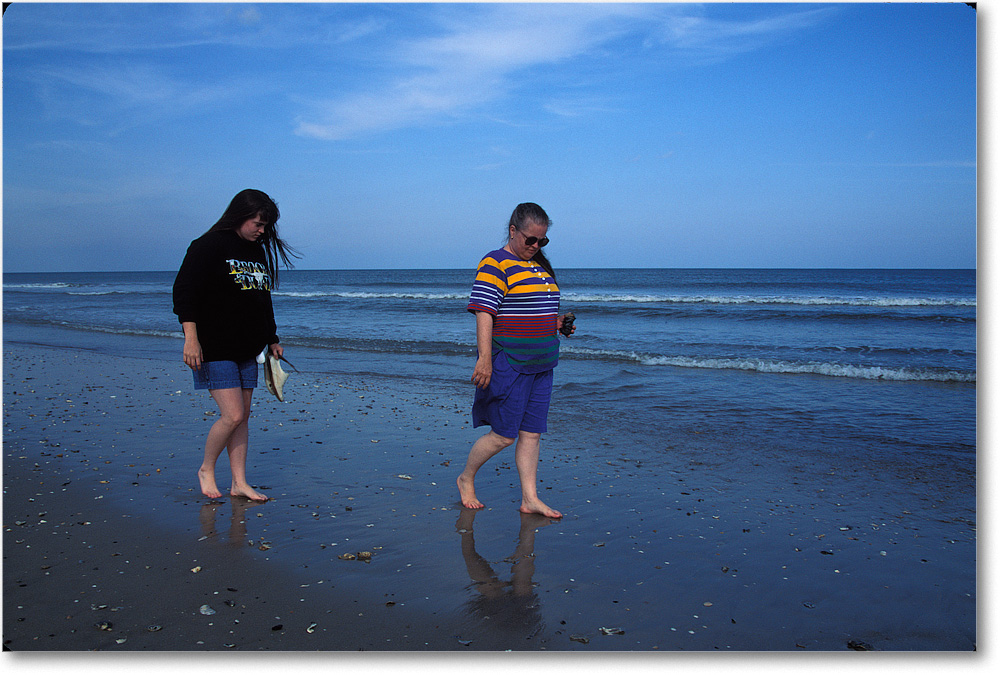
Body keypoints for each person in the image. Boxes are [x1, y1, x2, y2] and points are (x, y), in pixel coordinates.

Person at [172, 189, 297, 502]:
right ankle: (206, 468)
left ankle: (239, 482)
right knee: (232, 416)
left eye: (266, 226)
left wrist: (272, 339)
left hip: (247, 347)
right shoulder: (207, 246)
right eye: (258, 223)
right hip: (214, 346)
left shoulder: (254, 250)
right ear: (240, 216)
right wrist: (191, 338)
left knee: (243, 417)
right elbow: (184, 293)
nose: (262, 230)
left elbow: (261, 298)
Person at [458, 202, 574, 518]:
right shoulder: (494, 263)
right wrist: (485, 359)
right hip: (510, 360)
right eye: (530, 240)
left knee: (532, 433)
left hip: (543, 362)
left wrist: (557, 323)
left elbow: (530, 310)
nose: (536, 246)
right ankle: (466, 478)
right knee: (504, 435)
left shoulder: (539, 266)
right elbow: (485, 312)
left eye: (542, 241)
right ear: (513, 231)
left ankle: (530, 499)